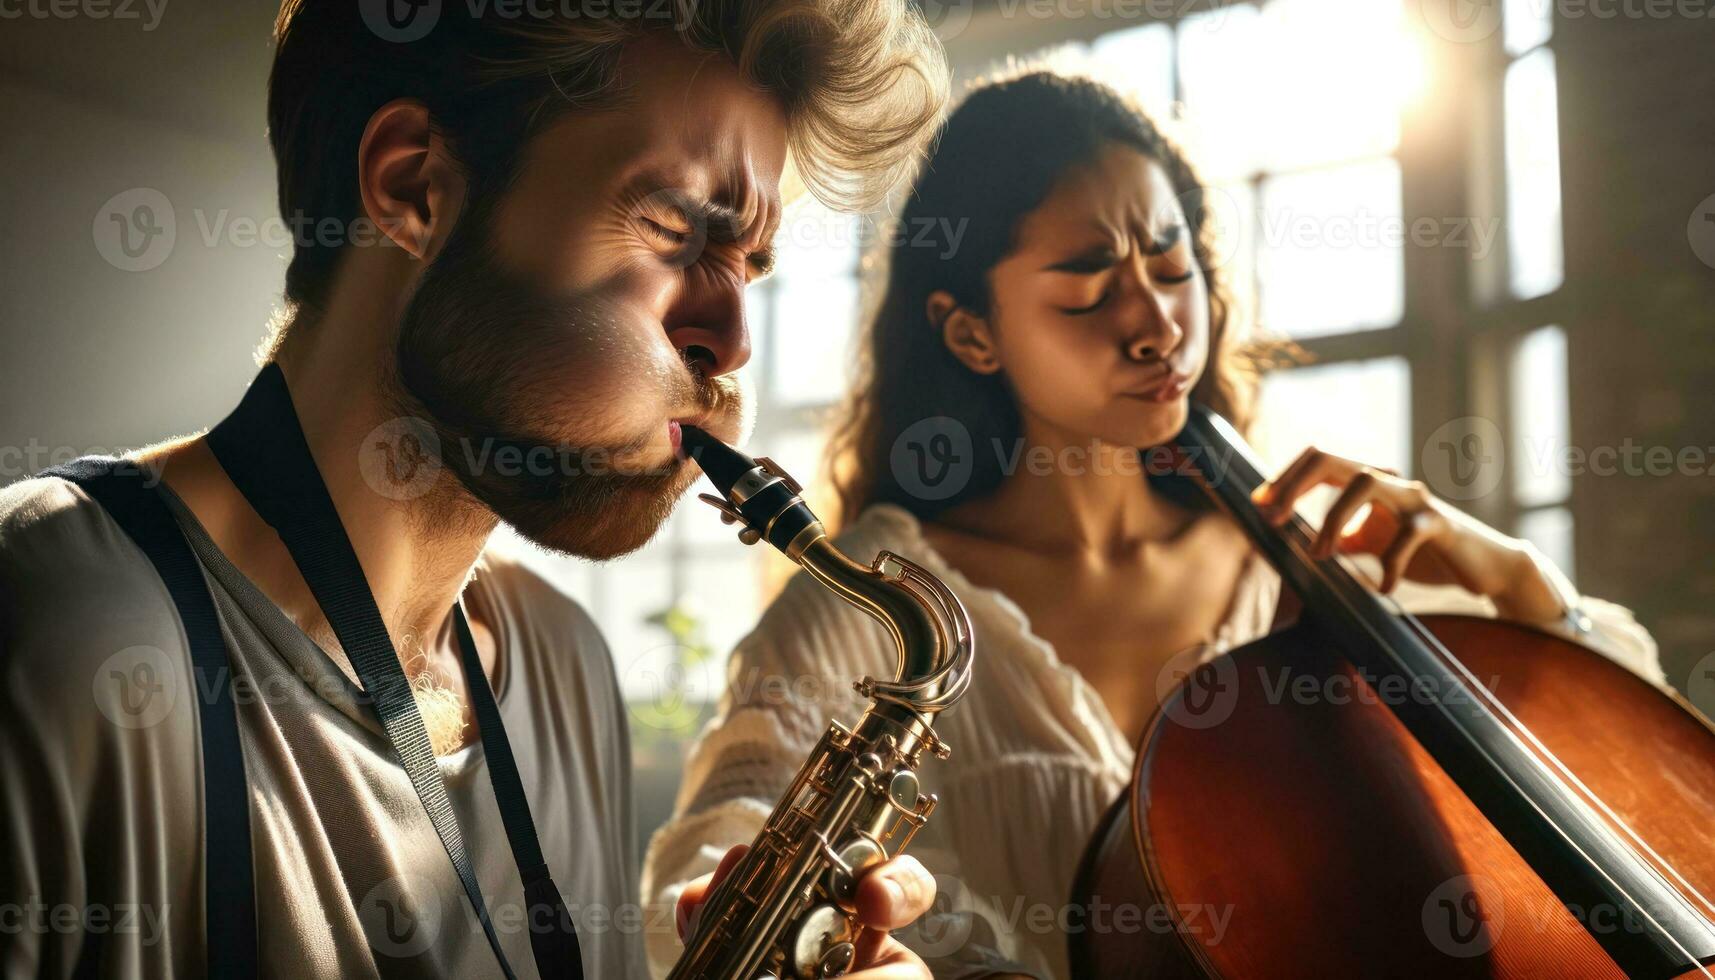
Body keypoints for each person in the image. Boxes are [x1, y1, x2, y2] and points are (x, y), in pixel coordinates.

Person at [641, 71, 1666, 979]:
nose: (1157, 323)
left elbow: (1638, 774)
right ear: (970, 332)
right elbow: (715, 858)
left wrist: (1512, 577)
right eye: (1089, 288)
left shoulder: (1316, 560)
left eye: (1171, 265)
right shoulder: (878, 599)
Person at [0, 1, 952, 976]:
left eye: (749, 265)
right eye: (671, 228)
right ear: (413, 185)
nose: (734, 339)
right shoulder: (52, 622)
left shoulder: (562, 660)